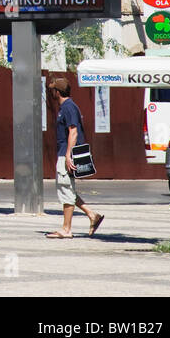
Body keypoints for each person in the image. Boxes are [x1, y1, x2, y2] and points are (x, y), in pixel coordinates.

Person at [46, 78, 104, 238]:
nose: (51, 92)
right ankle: (92, 215)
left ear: (57, 92)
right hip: (65, 152)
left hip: (66, 153)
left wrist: (67, 155)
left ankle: (66, 229)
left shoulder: (68, 108)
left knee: (65, 189)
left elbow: (74, 131)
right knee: (67, 189)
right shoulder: (67, 107)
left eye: (52, 90)